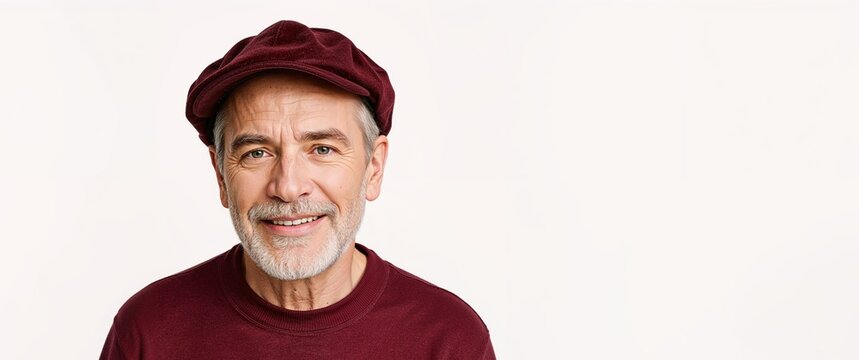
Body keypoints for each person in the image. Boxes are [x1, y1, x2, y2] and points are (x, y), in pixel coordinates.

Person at [99, 20, 495, 359]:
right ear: (221, 175)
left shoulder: (447, 339)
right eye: (256, 153)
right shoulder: (149, 332)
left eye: (321, 149)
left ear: (373, 167)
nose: (288, 187)